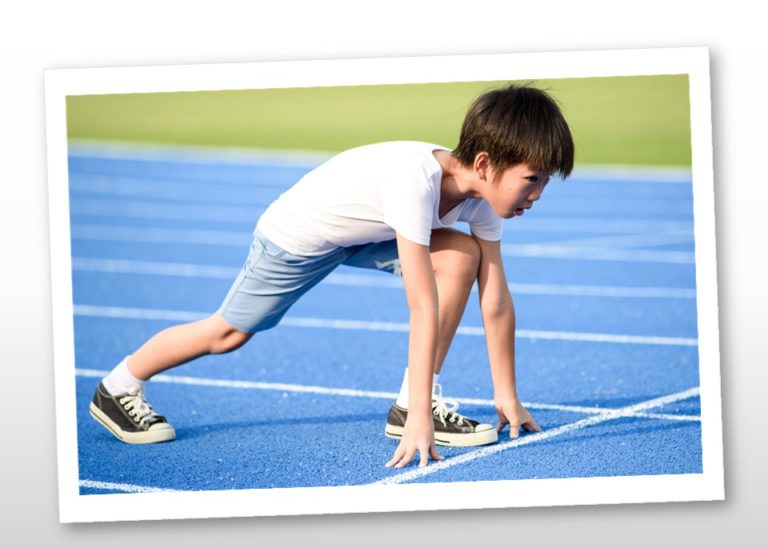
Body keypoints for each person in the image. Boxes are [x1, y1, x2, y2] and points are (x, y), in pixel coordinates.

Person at [89, 83, 574, 469]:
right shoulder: (415, 181)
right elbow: (421, 305)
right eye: (532, 179)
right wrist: (421, 424)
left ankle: (408, 402)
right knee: (228, 333)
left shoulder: (481, 198)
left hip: (361, 232)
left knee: (461, 255)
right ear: (486, 164)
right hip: (298, 235)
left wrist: (506, 395)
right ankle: (118, 386)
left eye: (544, 182)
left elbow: (497, 301)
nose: (537, 194)